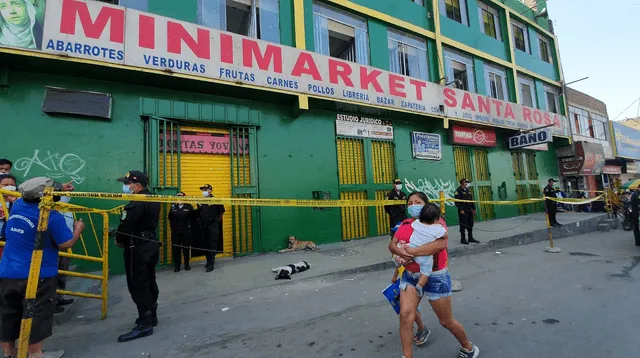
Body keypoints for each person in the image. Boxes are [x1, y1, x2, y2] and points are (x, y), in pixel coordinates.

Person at [0, 177, 84, 358]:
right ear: (47, 196)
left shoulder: (19, 205)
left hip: (8, 272)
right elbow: (65, 243)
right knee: (38, 314)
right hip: (39, 274)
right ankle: (35, 353)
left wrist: (61, 187)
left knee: (8, 312)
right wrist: (78, 229)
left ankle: (9, 352)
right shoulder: (51, 216)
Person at [389, 191, 479, 358]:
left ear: (426, 205)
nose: (413, 206)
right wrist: (397, 250)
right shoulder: (406, 223)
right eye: (409, 203)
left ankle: (468, 347)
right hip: (409, 276)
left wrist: (411, 251)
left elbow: (440, 245)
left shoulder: (436, 221)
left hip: (435, 277)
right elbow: (392, 244)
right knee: (405, 316)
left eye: (417, 202)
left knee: (446, 321)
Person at [115, 171, 161, 342]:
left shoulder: (137, 201)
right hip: (150, 243)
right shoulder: (154, 198)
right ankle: (152, 314)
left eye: (128, 183)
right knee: (149, 279)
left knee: (137, 283)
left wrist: (120, 239)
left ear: (137, 185)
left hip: (137, 246)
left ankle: (145, 323)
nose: (126, 186)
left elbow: (126, 225)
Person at [407, 203, 447, 297]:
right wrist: (439, 226)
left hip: (410, 246)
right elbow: (445, 236)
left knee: (402, 247)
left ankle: (398, 260)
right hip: (423, 256)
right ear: (436, 219)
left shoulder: (416, 223)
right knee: (426, 270)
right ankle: (420, 285)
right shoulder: (437, 229)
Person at [390, 265, 430, 346]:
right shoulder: (398, 254)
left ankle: (422, 329)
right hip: (405, 278)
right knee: (409, 308)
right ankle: (419, 328)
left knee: (411, 308)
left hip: (419, 278)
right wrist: (395, 276)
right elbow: (398, 262)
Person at [197, 184, 225, 273]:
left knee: (212, 244)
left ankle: (211, 264)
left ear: (210, 190)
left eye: (205, 189)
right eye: (203, 190)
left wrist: (217, 220)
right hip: (203, 225)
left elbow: (221, 211)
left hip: (213, 226)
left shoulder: (216, 200)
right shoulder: (200, 201)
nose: (204, 191)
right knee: (205, 244)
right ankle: (208, 261)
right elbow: (199, 211)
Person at [54, 196, 75, 314]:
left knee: (63, 271)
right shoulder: (51, 208)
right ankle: (52, 303)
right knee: (54, 273)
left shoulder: (69, 208)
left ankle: (59, 297)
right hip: (56, 245)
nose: (67, 195)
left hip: (67, 243)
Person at [168, 192, 195, 272]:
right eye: (178, 197)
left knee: (186, 248)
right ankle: (177, 266)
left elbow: (193, 217)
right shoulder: (173, 206)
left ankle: (187, 265)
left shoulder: (189, 206)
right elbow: (170, 217)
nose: (180, 199)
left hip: (185, 231)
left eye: (181, 197)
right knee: (176, 249)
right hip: (176, 231)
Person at [454, 178, 479, 244]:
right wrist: (461, 209)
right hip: (463, 211)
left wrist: (473, 209)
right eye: (466, 182)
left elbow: (471, 200)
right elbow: (457, 202)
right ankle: (463, 239)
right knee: (463, 225)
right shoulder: (458, 191)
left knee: (470, 224)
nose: (467, 184)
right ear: (462, 183)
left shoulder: (468, 190)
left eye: (467, 182)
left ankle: (470, 238)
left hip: (469, 210)